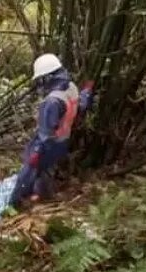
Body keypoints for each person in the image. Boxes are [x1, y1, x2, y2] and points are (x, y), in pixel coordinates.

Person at [8, 54, 94, 207]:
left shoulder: (52, 101)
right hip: (63, 141)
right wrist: (87, 91)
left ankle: (14, 202)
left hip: (49, 143)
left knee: (30, 170)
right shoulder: (72, 88)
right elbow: (81, 105)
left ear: (47, 77)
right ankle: (43, 195)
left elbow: (45, 134)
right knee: (46, 169)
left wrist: (35, 153)